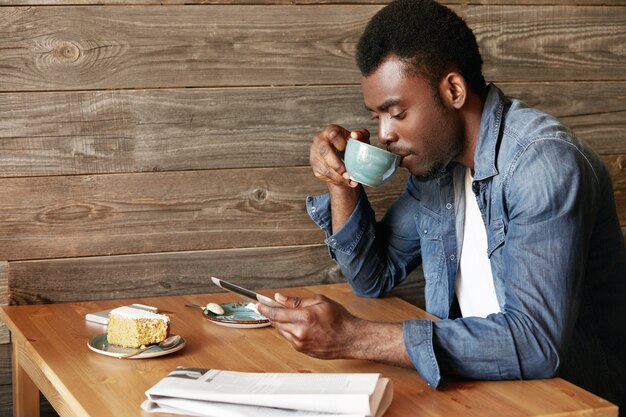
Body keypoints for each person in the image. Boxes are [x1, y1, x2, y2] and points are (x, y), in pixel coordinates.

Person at [256, 0, 626, 412]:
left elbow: (536, 342)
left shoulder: (542, 164)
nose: (384, 134)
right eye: (377, 116)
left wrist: (355, 337)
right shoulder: (439, 169)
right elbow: (372, 278)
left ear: (453, 90)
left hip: (571, 402)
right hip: (475, 393)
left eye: (395, 113)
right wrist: (341, 182)